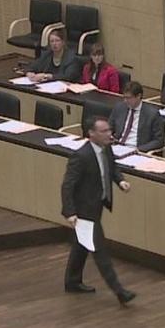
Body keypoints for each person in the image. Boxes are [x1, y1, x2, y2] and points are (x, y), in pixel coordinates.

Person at [60, 116, 136, 306]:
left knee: (82, 244)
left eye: (109, 130)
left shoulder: (106, 148)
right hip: (84, 210)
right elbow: (67, 186)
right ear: (91, 134)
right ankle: (120, 291)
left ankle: (72, 281)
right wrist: (70, 212)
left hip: (97, 204)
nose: (109, 134)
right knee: (99, 250)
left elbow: (112, 167)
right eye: (104, 131)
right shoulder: (81, 156)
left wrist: (120, 181)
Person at [109, 81, 163, 153]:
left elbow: (158, 141)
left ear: (138, 96)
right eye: (124, 97)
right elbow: (109, 127)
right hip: (117, 146)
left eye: (128, 98)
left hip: (136, 150)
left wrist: (140, 149)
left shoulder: (152, 114)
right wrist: (109, 136)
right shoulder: (119, 107)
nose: (125, 101)